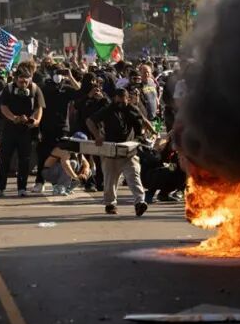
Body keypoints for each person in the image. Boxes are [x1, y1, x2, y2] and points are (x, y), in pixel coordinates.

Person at [86, 87, 154, 216]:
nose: (121, 102)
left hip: (129, 149)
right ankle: (110, 204)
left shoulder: (132, 109)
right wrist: (97, 136)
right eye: (118, 99)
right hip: (111, 149)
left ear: (127, 98)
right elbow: (90, 121)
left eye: (124, 99)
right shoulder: (108, 109)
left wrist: (151, 132)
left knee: (133, 175)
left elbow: (143, 121)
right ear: (114, 98)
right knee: (110, 178)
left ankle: (140, 202)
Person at [0, 68, 45, 198]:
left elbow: (39, 108)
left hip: (26, 132)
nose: (23, 84)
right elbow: (3, 107)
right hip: (9, 130)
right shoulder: (8, 89)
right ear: (16, 79)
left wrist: (35, 120)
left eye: (25, 81)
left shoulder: (35, 89)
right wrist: (14, 118)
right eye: (20, 81)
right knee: (5, 159)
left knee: (24, 161)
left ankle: (22, 188)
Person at [33, 66, 81, 193]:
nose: (58, 75)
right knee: (43, 154)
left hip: (62, 128)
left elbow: (80, 92)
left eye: (60, 73)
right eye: (56, 73)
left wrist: (70, 76)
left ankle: (60, 183)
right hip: (46, 127)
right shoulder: (44, 88)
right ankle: (39, 182)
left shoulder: (66, 88)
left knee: (63, 156)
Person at [41, 132, 92, 196]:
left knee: (89, 171)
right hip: (49, 172)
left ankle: (68, 188)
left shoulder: (77, 150)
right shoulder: (64, 148)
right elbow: (66, 164)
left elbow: (86, 164)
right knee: (73, 163)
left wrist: (85, 173)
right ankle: (59, 188)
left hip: (62, 172)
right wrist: (76, 177)